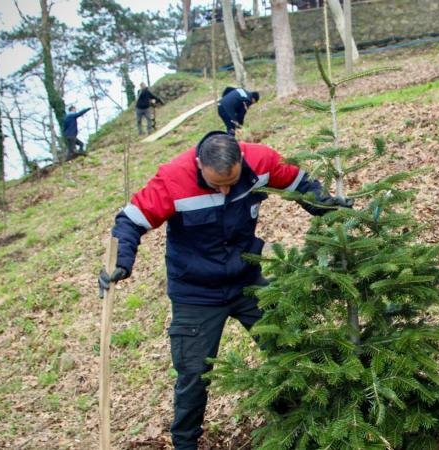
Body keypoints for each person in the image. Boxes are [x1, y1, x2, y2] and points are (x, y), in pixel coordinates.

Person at [97, 131, 352, 450]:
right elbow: (130, 221)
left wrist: (329, 207)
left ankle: (297, 416)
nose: (226, 189)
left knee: (287, 342)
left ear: (241, 161)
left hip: (246, 278)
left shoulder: (261, 160)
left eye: (232, 181)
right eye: (217, 183)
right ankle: (186, 443)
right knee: (193, 375)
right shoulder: (173, 179)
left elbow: (299, 183)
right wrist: (121, 262)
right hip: (196, 292)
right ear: (199, 164)